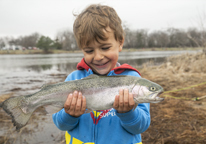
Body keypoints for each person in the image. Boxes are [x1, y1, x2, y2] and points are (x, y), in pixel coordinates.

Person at [52, 4, 150, 144]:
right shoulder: (73, 79)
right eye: (89, 51)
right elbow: (61, 125)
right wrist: (69, 115)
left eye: (105, 48)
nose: (98, 56)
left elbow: (141, 126)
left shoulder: (133, 80)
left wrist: (128, 113)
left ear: (120, 42)